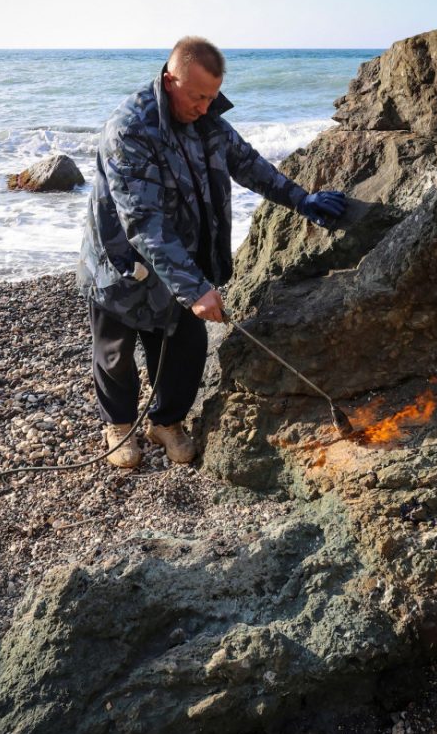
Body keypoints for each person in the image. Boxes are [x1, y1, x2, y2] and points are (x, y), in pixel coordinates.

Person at [76, 36, 347, 468]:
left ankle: (166, 422)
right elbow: (143, 222)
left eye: (212, 97)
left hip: (182, 254)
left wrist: (302, 200)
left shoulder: (207, 119)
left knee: (185, 343)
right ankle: (120, 424)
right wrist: (193, 288)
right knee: (115, 350)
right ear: (170, 80)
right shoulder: (129, 129)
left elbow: (249, 164)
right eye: (197, 96)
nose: (205, 108)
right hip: (122, 261)